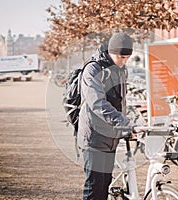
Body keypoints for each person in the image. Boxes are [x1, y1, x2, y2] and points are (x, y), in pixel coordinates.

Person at [77, 32, 133, 200]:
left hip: (110, 138)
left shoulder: (122, 70)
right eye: (121, 57)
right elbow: (97, 103)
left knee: (105, 183)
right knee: (94, 187)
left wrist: (125, 125)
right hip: (93, 137)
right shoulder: (93, 69)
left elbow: (121, 101)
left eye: (127, 57)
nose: (124, 61)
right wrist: (122, 122)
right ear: (111, 52)